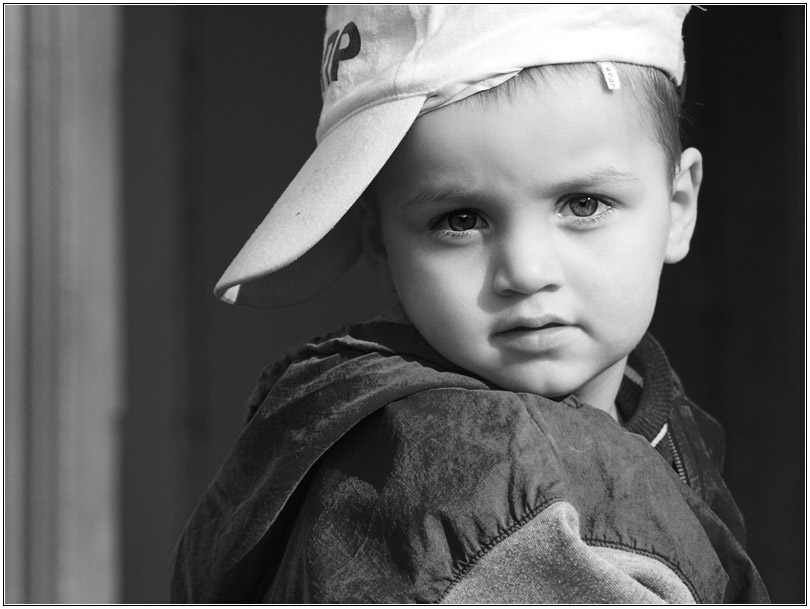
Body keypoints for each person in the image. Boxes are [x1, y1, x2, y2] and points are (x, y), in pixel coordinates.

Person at [171, 6, 770, 603]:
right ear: (380, 244)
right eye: (461, 220)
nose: (526, 272)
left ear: (679, 205)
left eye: (583, 204)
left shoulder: (646, 405)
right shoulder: (477, 494)